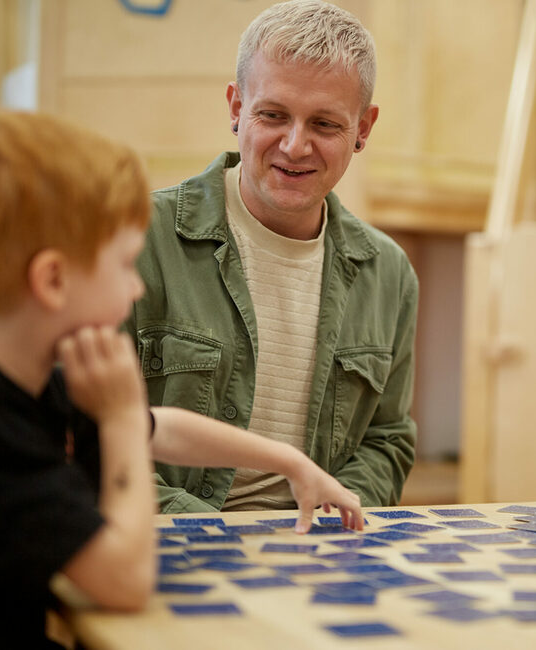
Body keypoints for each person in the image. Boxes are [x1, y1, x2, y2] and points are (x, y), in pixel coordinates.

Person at [0, 110, 362, 649]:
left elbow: (164, 428)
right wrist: (122, 421)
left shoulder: (24, 387)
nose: (134, 288)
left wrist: (291, 462)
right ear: (53, 280)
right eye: (125, 265)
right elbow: (125, 584)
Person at [126, 0, 418, 514]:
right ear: (237, 108)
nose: (295, 144)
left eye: (325, 124)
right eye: (273, 114)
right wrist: (215, 536)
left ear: (363, 129)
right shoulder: (135, 240)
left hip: (317, 549)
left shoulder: (389, 274)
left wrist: (337, 515)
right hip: (169, 547)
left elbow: (387, 438)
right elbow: (83, 439)